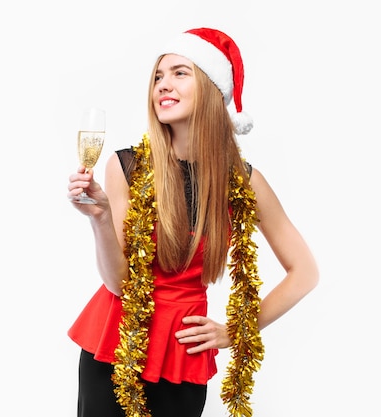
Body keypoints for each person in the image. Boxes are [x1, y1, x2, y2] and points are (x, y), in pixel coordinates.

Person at [66, 27, 319, 417]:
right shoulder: (126, 166)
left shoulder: (243, 181)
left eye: (179, 73)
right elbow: (119, 283)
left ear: (212, 87)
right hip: (116, 344)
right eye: (158, 77)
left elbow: (304, 272)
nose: (163, 85)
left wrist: (236, 332)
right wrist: (99, 218)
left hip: (183, 352)